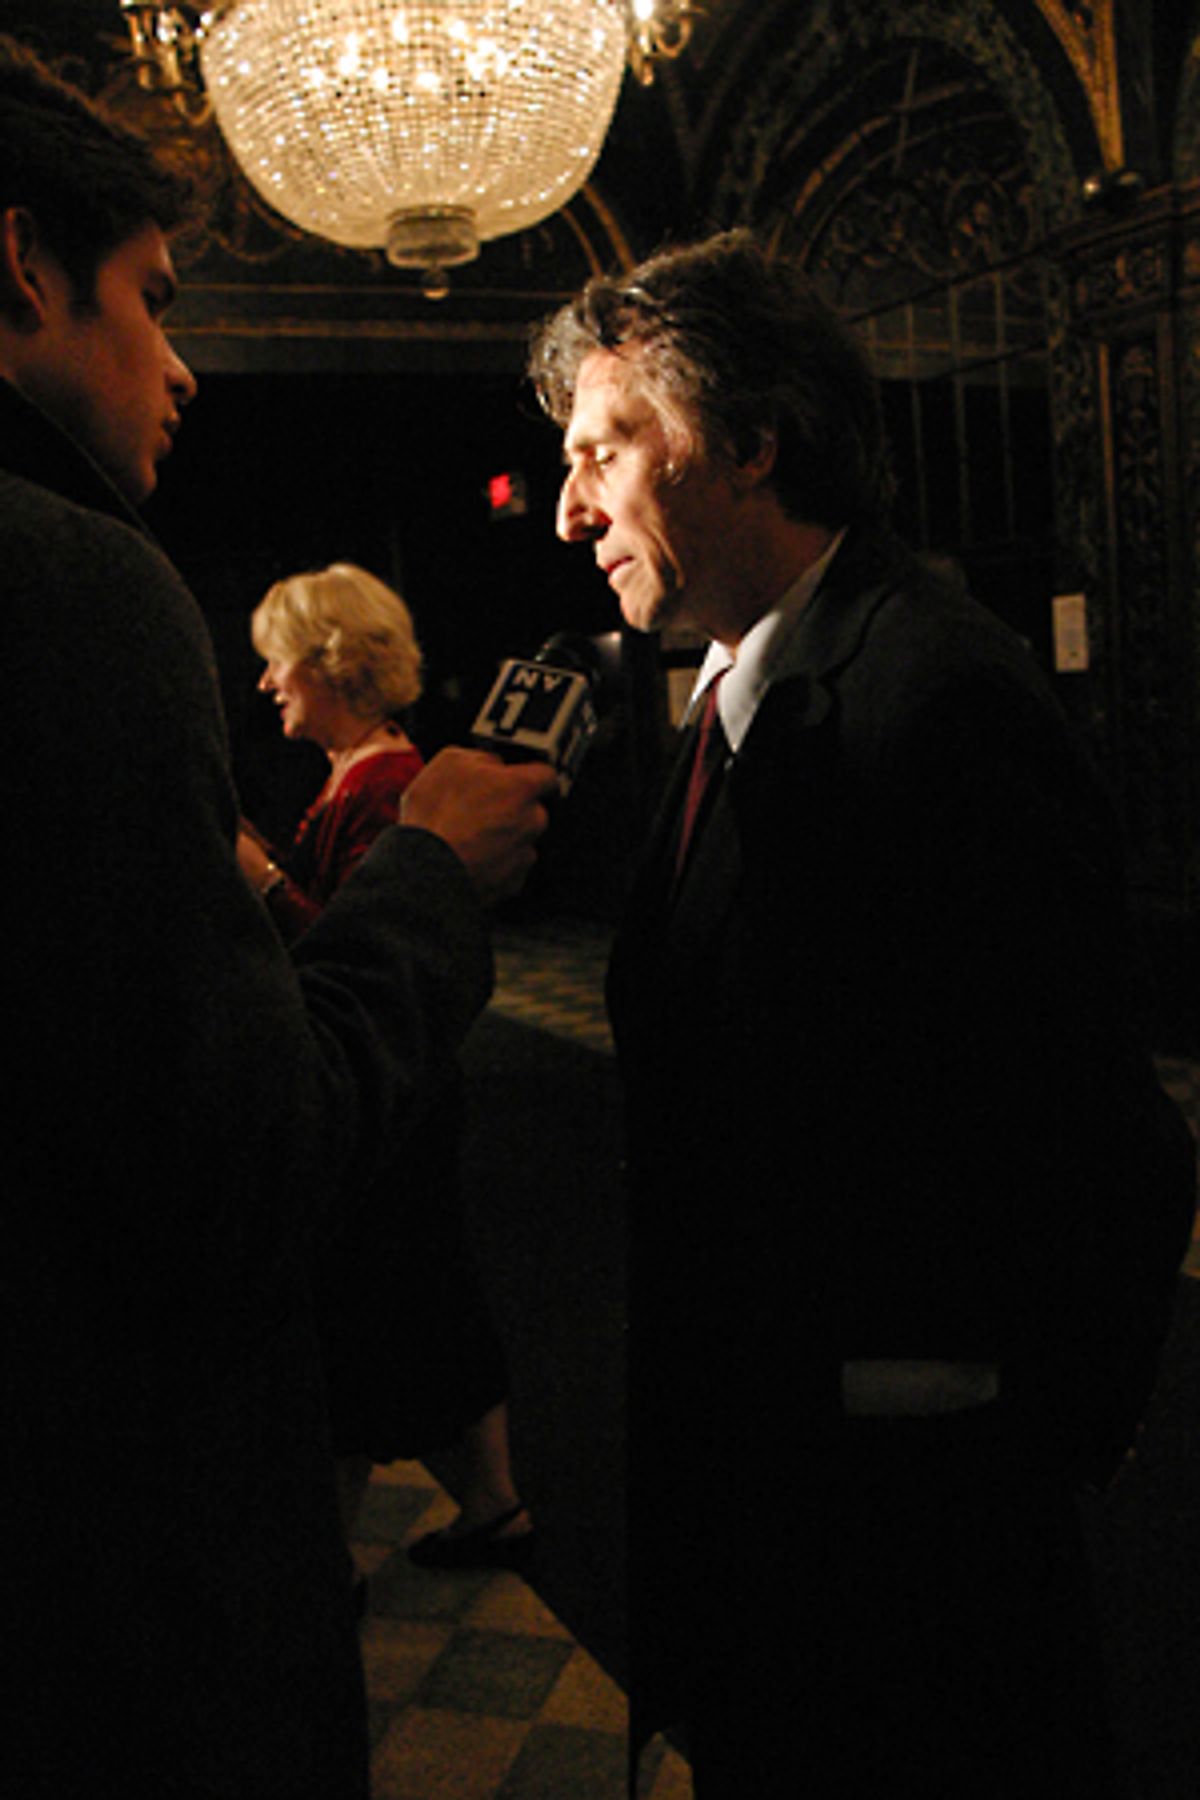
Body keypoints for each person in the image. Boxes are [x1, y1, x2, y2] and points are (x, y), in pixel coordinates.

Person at [529, 231, 1197, 1796]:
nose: (567, 511)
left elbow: (1102, 1145)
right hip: (773, 1488)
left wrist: (971, 1428)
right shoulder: (740, 685)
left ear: (749, 443)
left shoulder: (933, 698)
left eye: (600, 453)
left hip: (900, 1532)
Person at [0, 36, 556, 1799]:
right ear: (21, 262)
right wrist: (423, 883)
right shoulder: (72, 584)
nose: (179, 367)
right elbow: (239, 1164)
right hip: (108, 1581)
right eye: (155, 302)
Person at [238, 562, 533, 1569]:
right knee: (414, 1305)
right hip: (401, 1082)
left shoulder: (387, 782)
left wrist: (261, 876)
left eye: (280, 661)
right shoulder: (358, 774)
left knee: (378, 1313)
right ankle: (491, 1508)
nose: (268, 682)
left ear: (332, 662)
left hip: (395, 1087)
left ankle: (331, 1560)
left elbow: (367, 945)